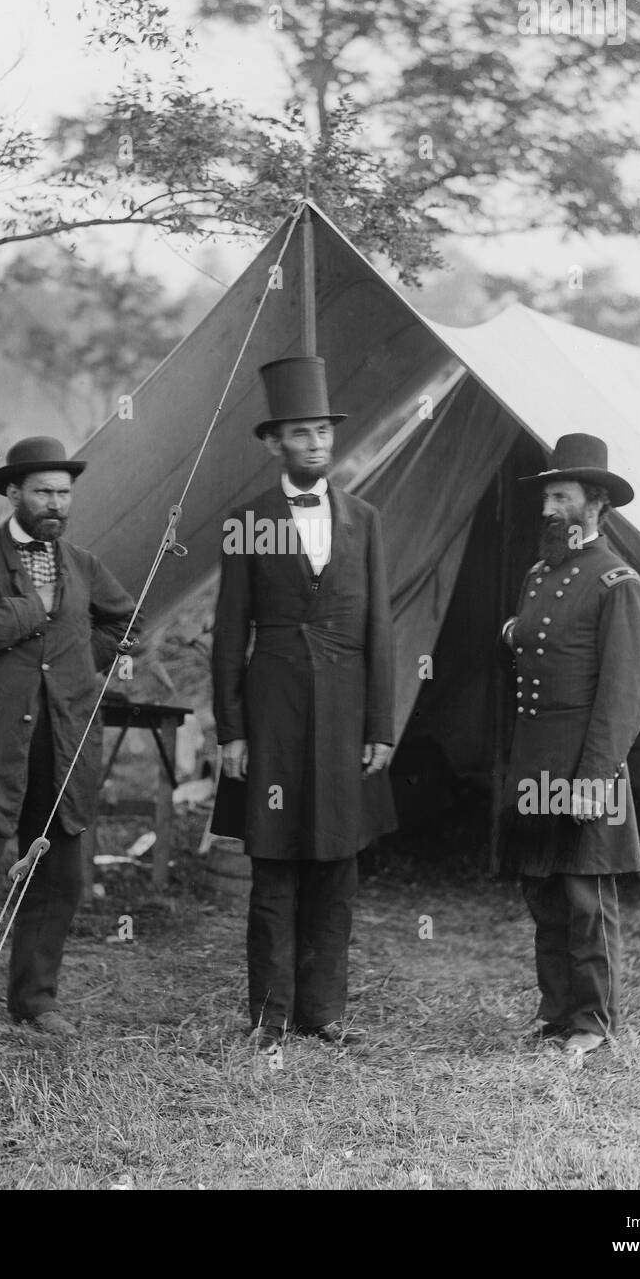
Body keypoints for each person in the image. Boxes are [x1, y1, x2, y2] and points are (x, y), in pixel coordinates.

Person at [0, 437, 135, 1056]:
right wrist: (30, 609)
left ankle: (34, 1000)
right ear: (13, 493)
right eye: (43, 491)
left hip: (65, 746)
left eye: (64, 492)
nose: (55, 503)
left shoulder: (83, 563)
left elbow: (125, 622)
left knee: (59, 878)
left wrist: (75, 664)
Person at [211, 356, 397, 1053]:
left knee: (336, 865)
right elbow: (229, 631)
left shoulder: (365, 520)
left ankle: (325, 1010)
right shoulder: (248, 523)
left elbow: (381, 626)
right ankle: (269, 1014)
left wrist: (380, 725)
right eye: (301, 433)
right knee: (275, 864)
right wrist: (231, 729)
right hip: (273, 714)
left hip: (347, 717)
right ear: (273, 443)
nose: (317, 443)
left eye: (323, 431)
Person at [497, 433, 640, 1060]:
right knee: (543, 889)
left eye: (561, 496)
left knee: (586, 896)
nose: (548, 508)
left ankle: (593, 1021)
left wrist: (594, 777)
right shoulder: (539, 574)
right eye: (546, 496)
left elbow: (624, 694)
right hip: (536, 756)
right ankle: (556, 1011)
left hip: (587, 758)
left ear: (596, 505)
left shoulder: (618, 582)